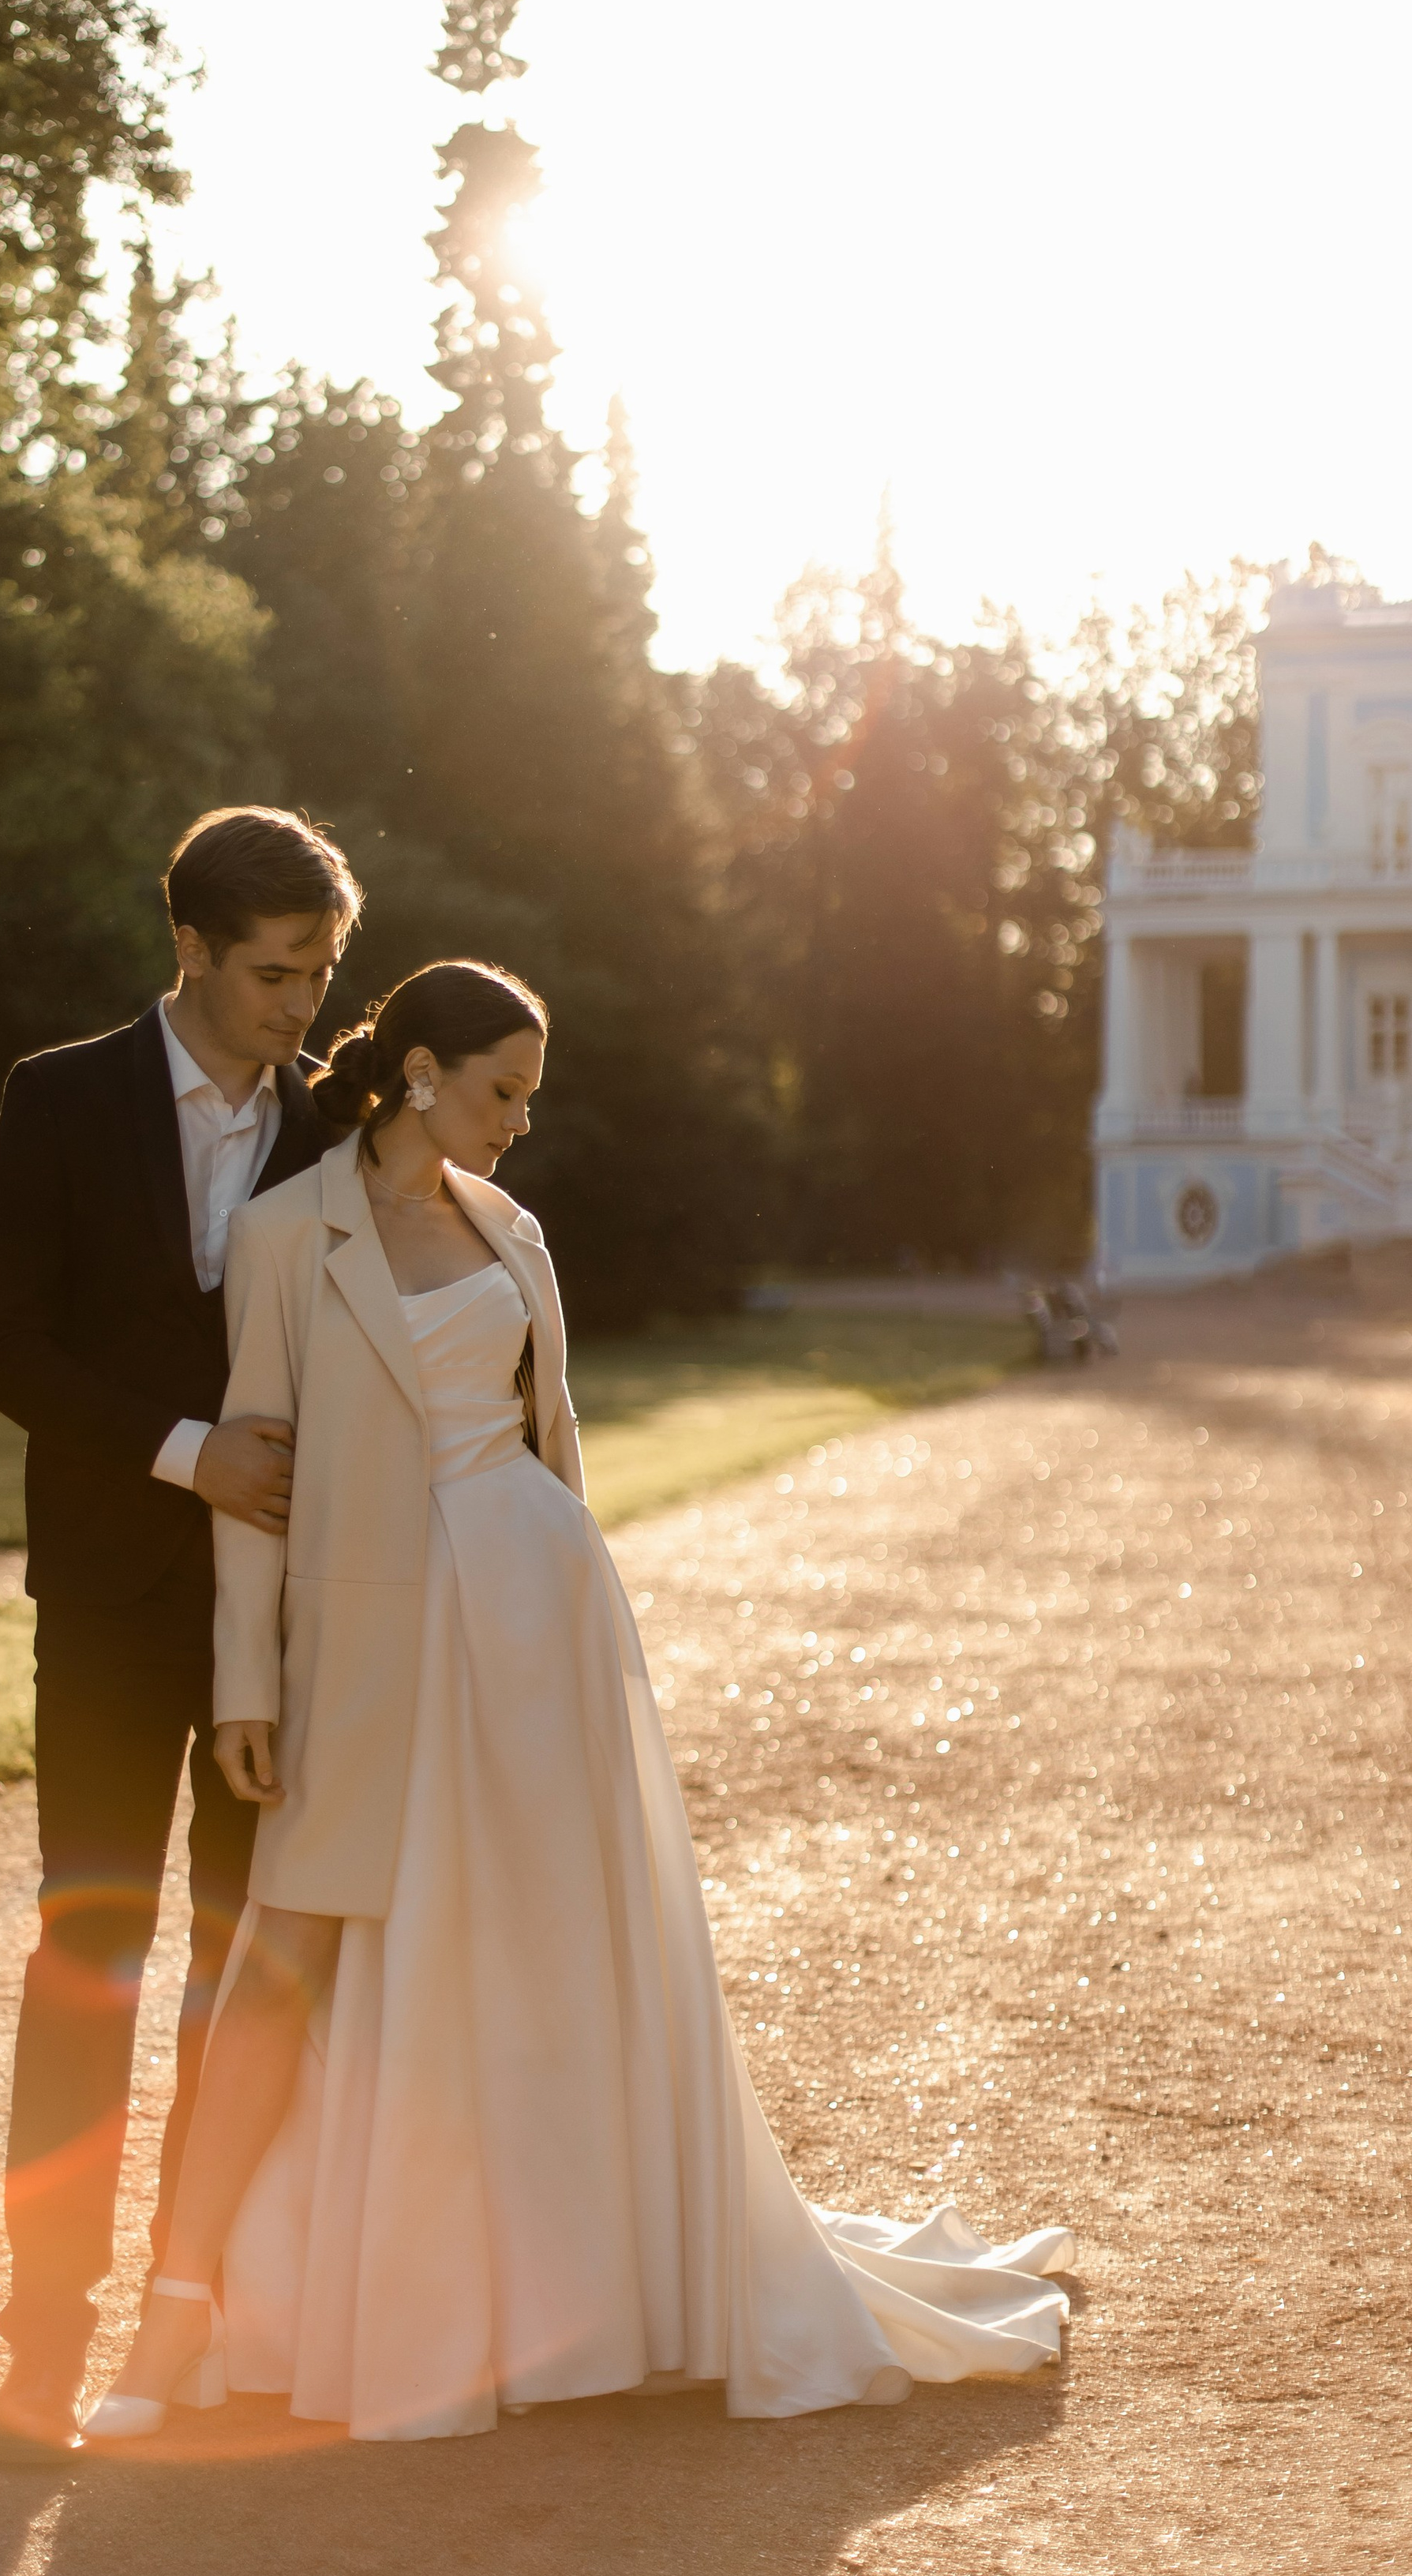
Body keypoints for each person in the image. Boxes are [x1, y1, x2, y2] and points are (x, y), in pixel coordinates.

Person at [88, 960, 1075, 2443]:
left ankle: (556, 2305)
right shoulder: (287, 1235)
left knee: (538, 1966)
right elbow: (254, 1478)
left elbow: (555, 1448)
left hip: (535, 1625)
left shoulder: (515, 1233)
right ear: (421, 1072)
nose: (520, 1123)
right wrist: (244, 1682)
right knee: (276, 1972)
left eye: (531, 1098)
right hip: (359, 1655)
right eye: (505, 1091)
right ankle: (170, 2325)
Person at [0, 805, 361, 2462]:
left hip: (286, 1618)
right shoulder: (59, 1100)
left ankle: (180, 2306)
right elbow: (6, 1347)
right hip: (117, 1608)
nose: (301, 1007)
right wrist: (189, 1454)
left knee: (236, 1969)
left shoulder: (335, 1118)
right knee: (90, 1961)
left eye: (323, 972)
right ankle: (38, 2335)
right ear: (189, 948)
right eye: (275, 972)